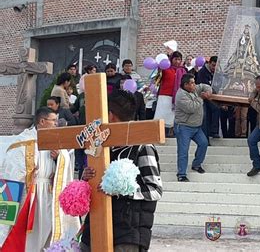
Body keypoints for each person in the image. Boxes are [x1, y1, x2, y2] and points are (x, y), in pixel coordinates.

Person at [80, 90, 163, 251]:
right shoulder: (100, 146)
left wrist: (122, 190)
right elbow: (95, 185)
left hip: (128, 232)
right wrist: (85, 178)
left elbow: (155, 190)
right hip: (94, 228)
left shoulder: (142, 146)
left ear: (110, 115)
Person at [0, 107, 78, 251]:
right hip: (30, 196)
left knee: (50, 234)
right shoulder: (23, 141)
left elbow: (66, 162)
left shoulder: (55, 141)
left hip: (50, 195)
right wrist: (29, 173)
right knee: (30, 238)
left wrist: (59, 157)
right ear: (42, 121)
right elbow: (12, 170)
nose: (56, 124)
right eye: (53, 120)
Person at [174, 74, 212, 181]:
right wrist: (201, 98)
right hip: (183, 127)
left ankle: (196, 164)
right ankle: (181, 174)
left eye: (194, 82)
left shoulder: (194, 89)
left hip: (196, 126)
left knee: (204, 143)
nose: (194, 85)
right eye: (192, 83)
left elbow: (204, 86)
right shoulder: (181, 95)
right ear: (186, 85)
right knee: (183, 151)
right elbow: (192, 108)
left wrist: (208, 91)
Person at [154, 51, 187, 135]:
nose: (177, 61)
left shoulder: (183, 70)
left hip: (177, 96)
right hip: (164, 95)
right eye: (175, 59)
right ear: (171, 59)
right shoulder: (165, 68)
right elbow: (158, 77)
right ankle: (160, 134)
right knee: (162, 116)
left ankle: (172, 133)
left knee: (174, 117)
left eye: (179, 59)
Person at [196, 56, 220, 139]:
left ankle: (213, 132)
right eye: (213, 65)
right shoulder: (202, 72)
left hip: (211, 97)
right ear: (209, 63)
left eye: (216, 66)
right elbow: (203, 87)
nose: (214, 68)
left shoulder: (217, 73)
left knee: (215, 110)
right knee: (205, 116)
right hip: (202, 97)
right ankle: (206, 136)